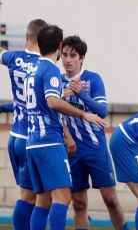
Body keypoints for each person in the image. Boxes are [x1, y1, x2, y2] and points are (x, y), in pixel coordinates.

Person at [25, 25, 105, 230]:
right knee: (62, 196)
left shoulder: (31, 68)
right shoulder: (51, 69)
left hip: (32, 141)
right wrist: (83, 113)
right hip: (48, 142)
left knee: (43, 200)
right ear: (60, 47)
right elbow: (52, 101)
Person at [60, 35, 128, 230]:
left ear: (81, 58)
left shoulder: (93, 79)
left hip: (95, 148)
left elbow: (102, 111)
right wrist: (64, 94)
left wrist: (80, 93)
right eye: (64, 55)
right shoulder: (57, 81)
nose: (68, 60)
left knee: (110, 199)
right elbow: (52, 108)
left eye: (73, 55)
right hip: (72, 151)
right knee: (79, 203)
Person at [0, 19, 48, 230]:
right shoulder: (44, 65)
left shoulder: (14, 58)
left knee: (27, 194)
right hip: (33, 137)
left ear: (27, 37)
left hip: (15, 137)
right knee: (33, 198)